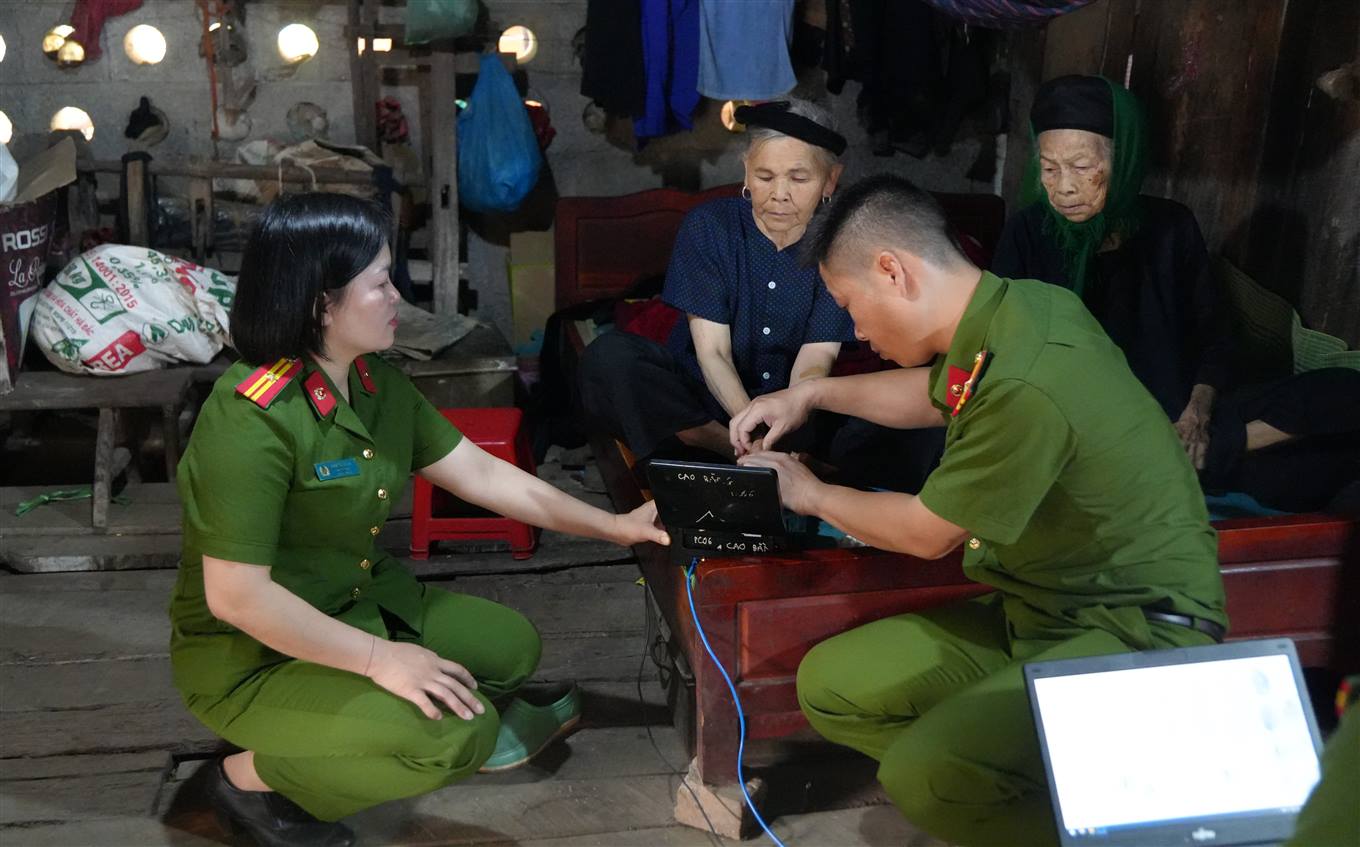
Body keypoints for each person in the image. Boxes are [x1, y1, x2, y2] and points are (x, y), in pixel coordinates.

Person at [729, 175, 1228, 847]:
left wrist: (804, 490)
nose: (854, 327)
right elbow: (940, 395)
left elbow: (924, 532)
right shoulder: (1021, 308)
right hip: (1041, 609)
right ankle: (1035, 782)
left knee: (927, 773)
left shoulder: (1026, 375)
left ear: (893, 271)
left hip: (1139, 627)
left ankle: (1110, 823)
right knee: (831, 685)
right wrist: (811, 398)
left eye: (850, 303)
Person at [169, 194, 669, 847]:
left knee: (510, 648)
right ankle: (245, 776)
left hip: (354, 605)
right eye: (380, 282)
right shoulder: (251, 417)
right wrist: (382, 660)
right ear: (323, 302)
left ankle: (330, 720)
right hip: (251, 653)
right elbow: (237, 597)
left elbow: (483, 474)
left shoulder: (375, 383)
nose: (398, 297)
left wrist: (617, 525)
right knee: (459, 735)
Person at [992, 74, 1360, 513]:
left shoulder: (1171, 227)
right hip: (1088, 434)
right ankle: (1175, 460)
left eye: (1082, 166)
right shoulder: (1027, 234)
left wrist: (1197, 415)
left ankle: (1182, 457)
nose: (1063, 187)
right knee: (1308, 468)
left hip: (1187, 420)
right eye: (1049, 169)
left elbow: (1215, 337)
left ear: (1123, 158)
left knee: (1344, 391)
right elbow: (1007, 352)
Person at [578, 98, 853, 462]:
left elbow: (817, 354)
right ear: (746, 171)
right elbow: (714, 352)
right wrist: (747, 432)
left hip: (794, 407)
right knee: (609, 357)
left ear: (829, 180)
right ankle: (725, 448)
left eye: (800, 178)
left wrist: (786, 413)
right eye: (765, 176)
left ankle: (781, 458)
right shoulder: (711, 227)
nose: (780, 194)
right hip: (704, 404)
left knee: (901, 415)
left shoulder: (842, 244)